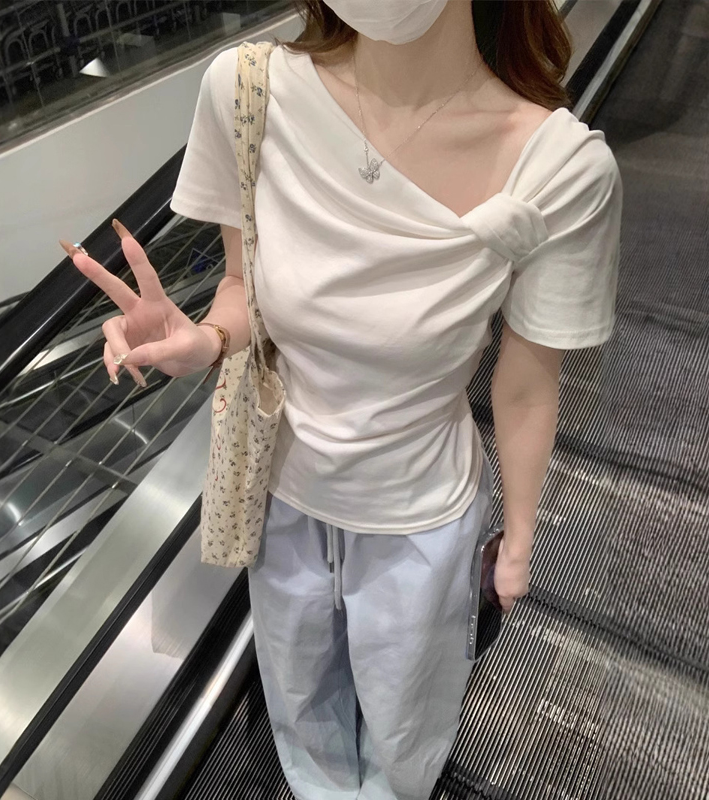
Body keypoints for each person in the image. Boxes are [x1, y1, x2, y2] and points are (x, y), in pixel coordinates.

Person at [60, 1, 623, 797]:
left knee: (405, 729)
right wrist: (207, 338)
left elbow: (528, 383)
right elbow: (243, 286)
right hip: (284, 498)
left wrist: (521, 539)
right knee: (300, 712)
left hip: (420, 520)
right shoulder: (248, 92)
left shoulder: (559, 168)